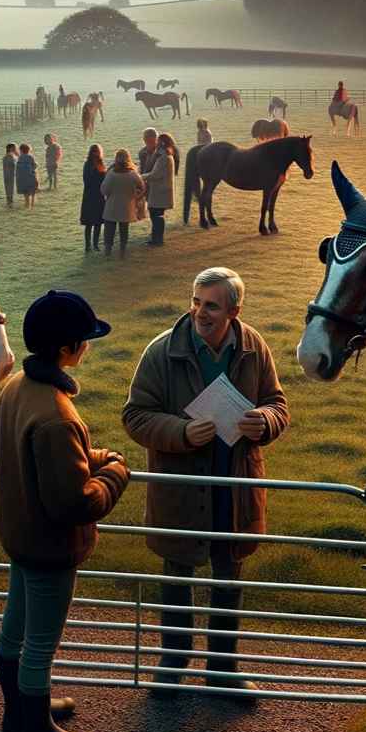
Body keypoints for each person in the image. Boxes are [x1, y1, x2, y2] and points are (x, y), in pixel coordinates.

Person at [122, 268, 289, 696]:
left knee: (229, 574)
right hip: (180, 486)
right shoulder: (160, 351)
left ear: (235, 310)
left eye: (211, 305)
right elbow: (135, 416)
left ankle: (223, 668)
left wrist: (265, 421)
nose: (199, 312)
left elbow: (277, 404)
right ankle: (172, 664)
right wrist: (181, 432)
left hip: (235, 487)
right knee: (177, 572)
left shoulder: (256, 348)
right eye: (196, 301)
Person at [0, 289, 130, 732]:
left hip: (20, 535)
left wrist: (93, 456)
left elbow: (47, 461)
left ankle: (20, 712)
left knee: (14, 629)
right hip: (49, 547)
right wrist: (115, 473)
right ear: (68, 349)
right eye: (84, 340)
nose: (87, 347)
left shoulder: (17, 387)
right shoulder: (56, 414)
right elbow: (74, 503)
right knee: (39, 646)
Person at [100, 149, 145, 259]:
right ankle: (122, 252)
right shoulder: (133, 174)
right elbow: (142, 187)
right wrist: (136, 197)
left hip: (112, 206)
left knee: (109, 230)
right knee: (124, 230)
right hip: (127, 207)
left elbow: (104, 190)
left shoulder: (111, 174)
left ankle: (108, 252)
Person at [141, 133, 176, 247]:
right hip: (162, 189)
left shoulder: (163, 157)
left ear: (161, 143)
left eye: (158, 141)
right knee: (157, 215)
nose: (156, 143)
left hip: (159, 190)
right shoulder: (166, 155)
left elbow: (155, 174)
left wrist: (141, 177)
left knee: (156, 215)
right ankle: (156, 238)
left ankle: (157, 239)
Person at [80, 144, 106, 252]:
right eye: (94, 151)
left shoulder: (101, 163)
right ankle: (87, 245)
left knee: (98, 222)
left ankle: (95, 244)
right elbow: (87, 180)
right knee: (89, 223)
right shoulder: (88, 164)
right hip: (90, 195)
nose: (96, 153)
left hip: (99, 196)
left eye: (97, 151)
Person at [16, 142, 39, 208]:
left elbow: (18, 167)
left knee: (26, 193)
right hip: (31, 177)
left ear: (21, 150)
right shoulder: (30, 157)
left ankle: (27, 204)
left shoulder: (20, 157)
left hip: (23, 178)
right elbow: (35, 165)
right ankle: (32, 204)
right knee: (32, 192)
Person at [2, 143, 18, 208]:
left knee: (9, 192)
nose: (17, 149)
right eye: (15, 148)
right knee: (11, 192)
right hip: (11, 175)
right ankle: (10, 206)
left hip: (7, 175)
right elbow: (15, 165)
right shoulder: (10, 156)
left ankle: (9, 205)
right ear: (11, 148)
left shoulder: (7, 156)